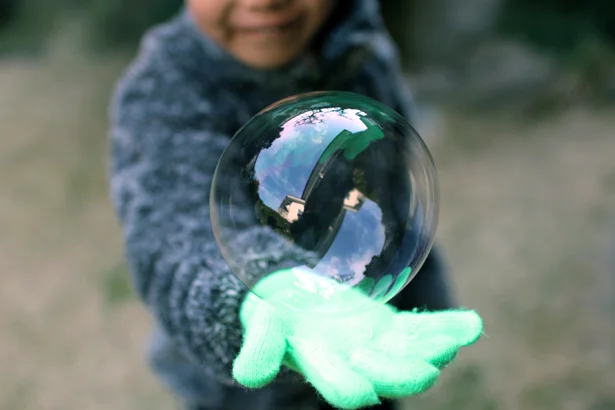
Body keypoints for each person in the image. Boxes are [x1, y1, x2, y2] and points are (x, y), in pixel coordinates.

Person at [108, 1, 459, 409]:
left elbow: (392, 201)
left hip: (367, 345)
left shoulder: (363, 51)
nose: (266, 1)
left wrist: (424, 292)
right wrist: (268, 284)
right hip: (243, 399)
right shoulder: (165, 92)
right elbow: (175, 234)